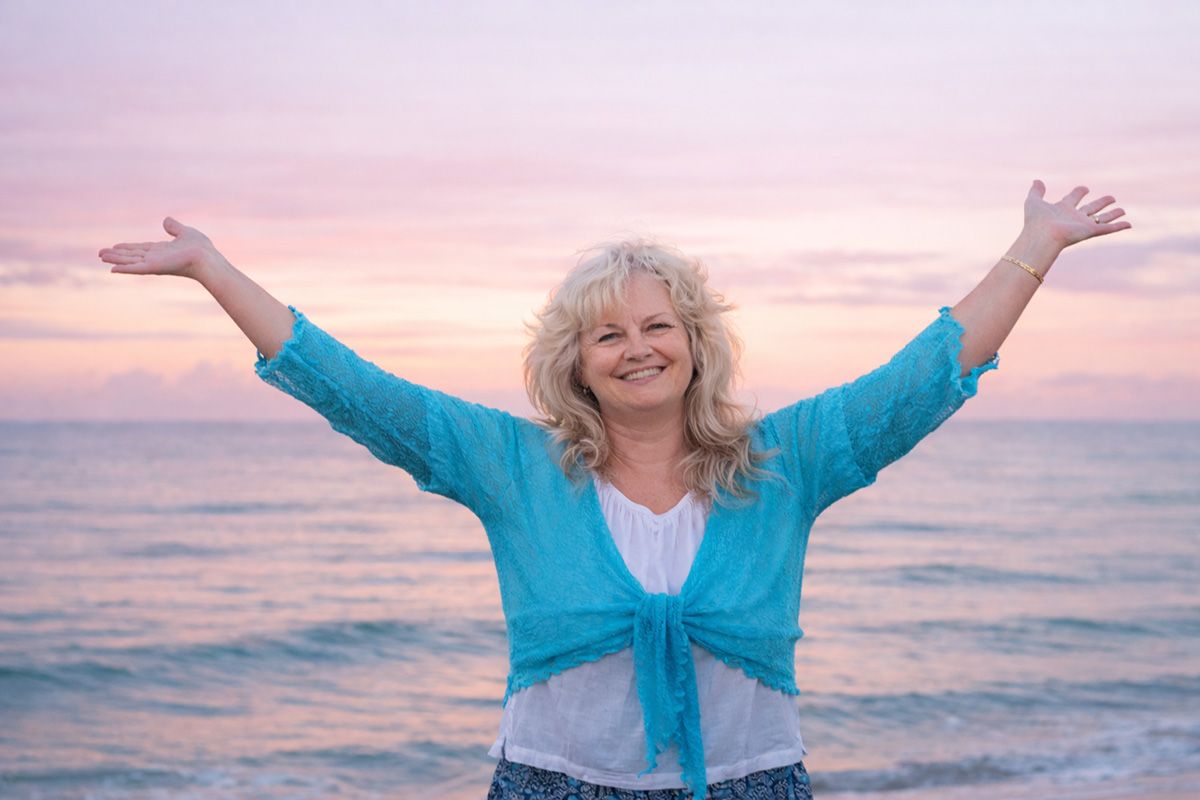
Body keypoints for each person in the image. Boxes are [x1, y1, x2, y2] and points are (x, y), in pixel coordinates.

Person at [98, 180, 1130, 799]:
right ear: (577, 362)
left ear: (694, 342)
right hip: (547, 782)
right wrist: (215, 271)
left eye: (656, 325)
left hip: (754, 783)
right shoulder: (514, 467)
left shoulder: (785, 461)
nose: (636, 349)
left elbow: (920, 378)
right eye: (607, 333)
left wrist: (1035, 247)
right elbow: (361, 393)